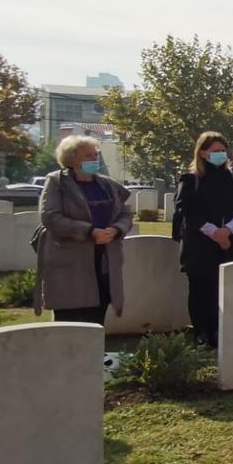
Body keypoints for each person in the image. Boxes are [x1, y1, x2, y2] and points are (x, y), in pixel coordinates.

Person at [36, 135, 134, 325]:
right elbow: (50, 216)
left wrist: (116, 229)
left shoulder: (106, 184)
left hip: (104, 259)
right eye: (88, 155)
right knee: (70, 316)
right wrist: (88, 231)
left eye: (96, 155)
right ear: (72, 158)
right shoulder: (57, 182)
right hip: (71, 260)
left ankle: (94, 353)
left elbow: (125, 213)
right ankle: (67, 354)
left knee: (98, 311)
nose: (94, 159)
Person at [175, 131, 233, 347]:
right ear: (203, 153)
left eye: (223, 151)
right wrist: (214, 232)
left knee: (221, 290)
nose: (220, 154)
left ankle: (218, 330)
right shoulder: (191, 179)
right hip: (200, 244)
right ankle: (201, 332)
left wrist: (228, 231)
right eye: (215, 151)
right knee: (200, 289)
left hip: (228, 242)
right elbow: (186, 210)